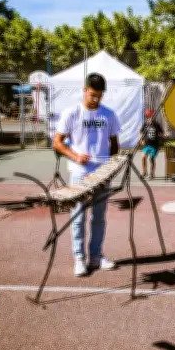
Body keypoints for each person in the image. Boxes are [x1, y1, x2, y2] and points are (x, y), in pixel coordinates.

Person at [53, 73, 121, 277]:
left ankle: (96, 256)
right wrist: (74, 155)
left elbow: (115, 144)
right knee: (78, 217)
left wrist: (111, 167)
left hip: (102, 174)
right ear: (85, 90)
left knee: (99, 217)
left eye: (99, 95)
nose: (96, 99)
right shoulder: (72, 113)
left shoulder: (108, 114)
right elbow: (57, 142)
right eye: (92, 94)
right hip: (79, 173)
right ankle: (79, 258)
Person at [141, 109, 163, 180]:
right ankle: (144, 172)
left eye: (151, 117)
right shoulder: (145, 124)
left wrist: (161, 135)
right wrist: (142, 140)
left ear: (153, 117)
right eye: (148, 117)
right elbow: (141, 132)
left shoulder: (157, 125)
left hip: (154, 145)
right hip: (147, 145)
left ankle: (152, 173)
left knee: (151, 159)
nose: (149, 118)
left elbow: (161, 133)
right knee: (143, 157)